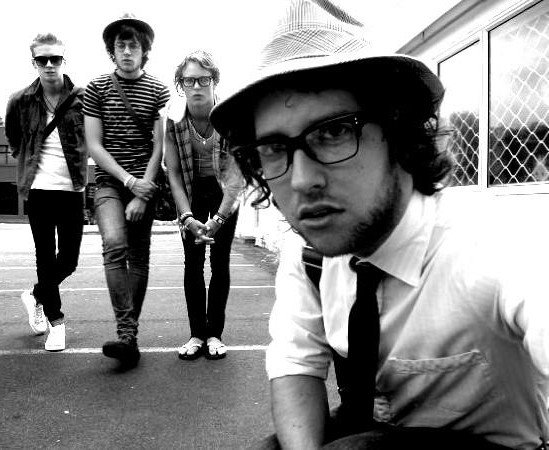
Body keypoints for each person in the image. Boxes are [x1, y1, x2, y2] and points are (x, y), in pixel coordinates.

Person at [210, 0, 549, 448]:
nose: (303, 180)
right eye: (274, 148)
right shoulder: (309, 255)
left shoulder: (495, 245)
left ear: (398, 131)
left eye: (334, 132)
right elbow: (296, 363)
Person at [83, 13, 170, 368]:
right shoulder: (97, 88)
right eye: (121, 45)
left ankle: (127, 340)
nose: (127, 51)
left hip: (144, 186)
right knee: (115, 244)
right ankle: (127, 333)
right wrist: (129, 183)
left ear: (144, 50)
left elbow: (159, 146)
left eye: (134, 45)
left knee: (139, 255)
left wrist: (142, 192)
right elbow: (94, 145)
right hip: (109, 183)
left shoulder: (159, 90)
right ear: (112, 50)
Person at [4, 33, 87, 352]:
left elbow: (93, 138)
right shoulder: (20, 100)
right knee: (44, 257)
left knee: (69, 260)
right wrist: (29, 163)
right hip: (38, 190)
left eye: (55, 58)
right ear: (34, 62)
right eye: (42, 59)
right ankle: (56, 322)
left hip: (72, 190)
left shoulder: (82, 98)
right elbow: (14, 140)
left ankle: (35, 295)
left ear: (64, 60)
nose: (49, 64)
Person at [164, 50, 243, 360]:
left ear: (214, 81)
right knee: (193, 262)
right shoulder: (173, 121)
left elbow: (236, 178)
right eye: (189, 80)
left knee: (220, 262)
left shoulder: (231, 116)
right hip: (192, 189)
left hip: (224, 192)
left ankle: (215, 335)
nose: (196, 86)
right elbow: (174, 175)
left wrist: (218, 220)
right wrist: (187, 217)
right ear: (181, 85)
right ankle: (197, 333)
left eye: (203, 79)